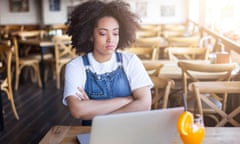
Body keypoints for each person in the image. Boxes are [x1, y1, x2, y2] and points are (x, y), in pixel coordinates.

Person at [63, 0, 153, 126]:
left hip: (130, 130)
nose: (111, 39)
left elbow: (145, 105)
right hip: (92, 134)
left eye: (115, 33)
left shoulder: (130, 61)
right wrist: (128, 100)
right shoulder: (75, 67)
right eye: (103, 33)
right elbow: (78, 110)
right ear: (90, 35)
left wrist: (97, 113)